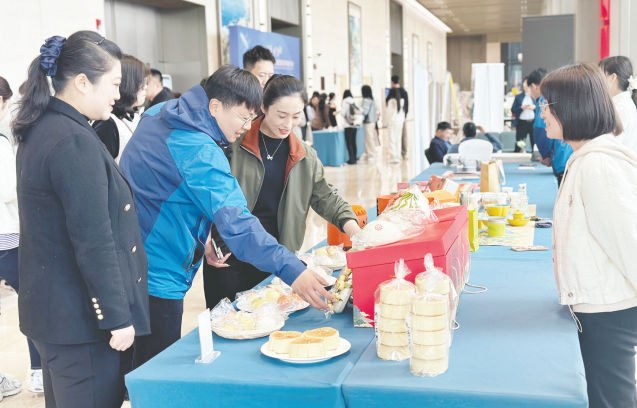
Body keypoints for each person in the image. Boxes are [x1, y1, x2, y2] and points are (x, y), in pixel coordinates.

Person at [120, 65, 335, 367]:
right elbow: (240, 225)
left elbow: (164, 187)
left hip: (130, 252)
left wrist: (202, 231)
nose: (247, 126)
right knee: (154, 370)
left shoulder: (162, 112)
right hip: (159, 269)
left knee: (134, 361)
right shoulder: (198, 149)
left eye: (252, 118)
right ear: (215, 106)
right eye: (243, 117)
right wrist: (292, 269)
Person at [11, 31, 150, 408]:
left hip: (57, 315)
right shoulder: (71, 139)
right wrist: (118, 316)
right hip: (81, 322)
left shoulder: (42, 127)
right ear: (82, 82)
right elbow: (93, 239)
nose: (117, 95)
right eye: (114, 84)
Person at [202, 75, 361, 309]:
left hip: (275, 259)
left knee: (270, 322)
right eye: (281, 115)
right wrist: (204, 236)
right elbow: (203, 193)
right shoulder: (234, 143)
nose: (288, 124)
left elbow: (326, 197)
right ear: (263, 107)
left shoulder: (304, 155)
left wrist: (357, 233)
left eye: (296, 116)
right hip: (227, 255)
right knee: (227, 323)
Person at [542, 62, 637, 408]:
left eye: (547, 104)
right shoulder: (584, 158)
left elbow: (629, 242)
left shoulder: (599, 165)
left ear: (571, 107)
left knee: (611, 399)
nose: (542, 112)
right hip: (598, 305)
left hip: (610, 309)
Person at [0, 77, 25, 402]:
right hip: (8, 237)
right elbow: (8, 189)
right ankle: (37, 373)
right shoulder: (2, 141)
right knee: (32, 299)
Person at [93, 54, 149, 162]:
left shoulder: (133, 116)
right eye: (142, 81)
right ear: (128, 83)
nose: (145, 86)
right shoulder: (107, 124)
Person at [530, 68, 573, 187]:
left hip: (562, 157)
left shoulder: (545, 99)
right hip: (567, 155)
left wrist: (545, 154)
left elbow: (541, 129)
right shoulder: (560, 97)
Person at [600, 56, 637, 154]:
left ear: (613, 77)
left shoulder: (621, 108)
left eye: (601, 75)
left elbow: (609, 145)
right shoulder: (624, 104)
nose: (599, 81)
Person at [387, 75, 409, 159]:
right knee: (400, 137)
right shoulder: (403, 92)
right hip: (401, 118)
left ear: (392, 82)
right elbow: (407, 105)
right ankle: (402, 153)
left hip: (394, 120)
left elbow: (389, 112)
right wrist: (404, 116)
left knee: (393, 138)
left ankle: (394, 155)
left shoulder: (392, 98)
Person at [511, 77, 535, 152]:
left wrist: (534, 107)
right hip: (522, 123)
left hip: (533, 123)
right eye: (525, 83)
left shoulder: (535, 97)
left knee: (534, 142)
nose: (526, 85)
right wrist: (521, 108)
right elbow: (513, 110)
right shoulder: (519, 97)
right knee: (519, 142)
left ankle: (536, 157)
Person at [386, 88, 405, 163]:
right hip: (399, 122)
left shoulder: (391, 101)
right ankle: (398, 155)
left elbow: (389, 113)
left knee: (392, 140)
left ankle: (393, 157)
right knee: (398, 139)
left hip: (392, 122)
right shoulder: (401, 101)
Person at [361, 85, 379, 162]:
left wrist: (358, 110)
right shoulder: (373, 99)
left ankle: (371, 154)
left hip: (368, 122)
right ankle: (369, 154)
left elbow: (364, 111)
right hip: (373, 121)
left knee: (369, 139)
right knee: (369, 138)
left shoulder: (365, 100)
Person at [341, 90, 360, 164]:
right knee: (354, 142)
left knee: (349, 143)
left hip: (347, 125)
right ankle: (354, 158)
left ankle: (351, 160)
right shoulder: (354, 101)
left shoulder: (344, 101)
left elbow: (343, 113)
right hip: (354, 124)